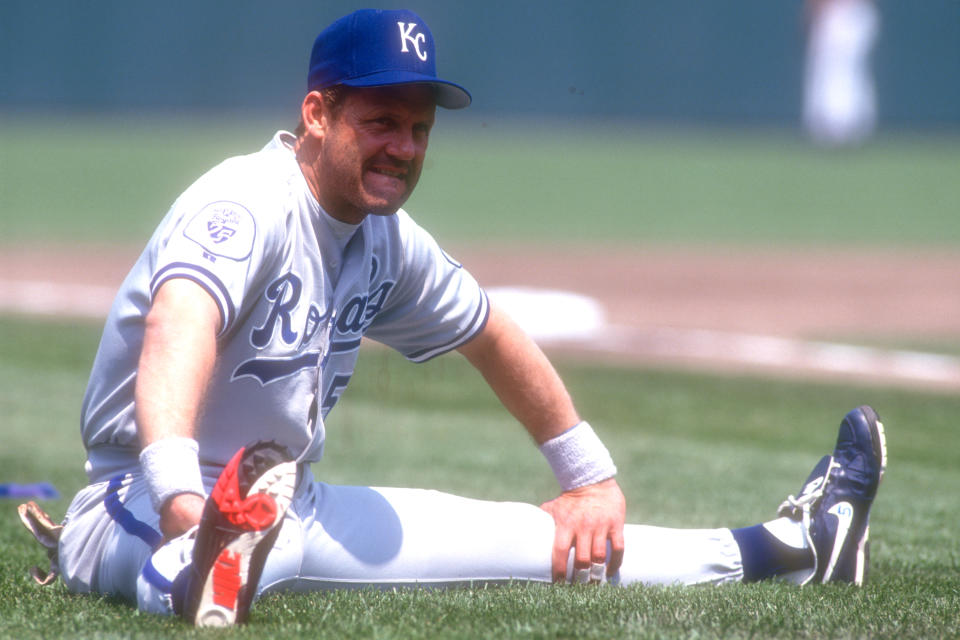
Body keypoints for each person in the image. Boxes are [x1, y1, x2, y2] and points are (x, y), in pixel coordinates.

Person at [25, 9, 887, 627]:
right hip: (134, 496)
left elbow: (491, 332)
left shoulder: (386, 238)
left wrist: (586, 474)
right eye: (379, 121)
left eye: (418, 127)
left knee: (544, 543)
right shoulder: (245, 202)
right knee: (190, 548)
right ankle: (193, 571)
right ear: (317, 114)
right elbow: (181, 327)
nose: (402, 145)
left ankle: (791, 545)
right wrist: (182, 499)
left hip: (295, 503)